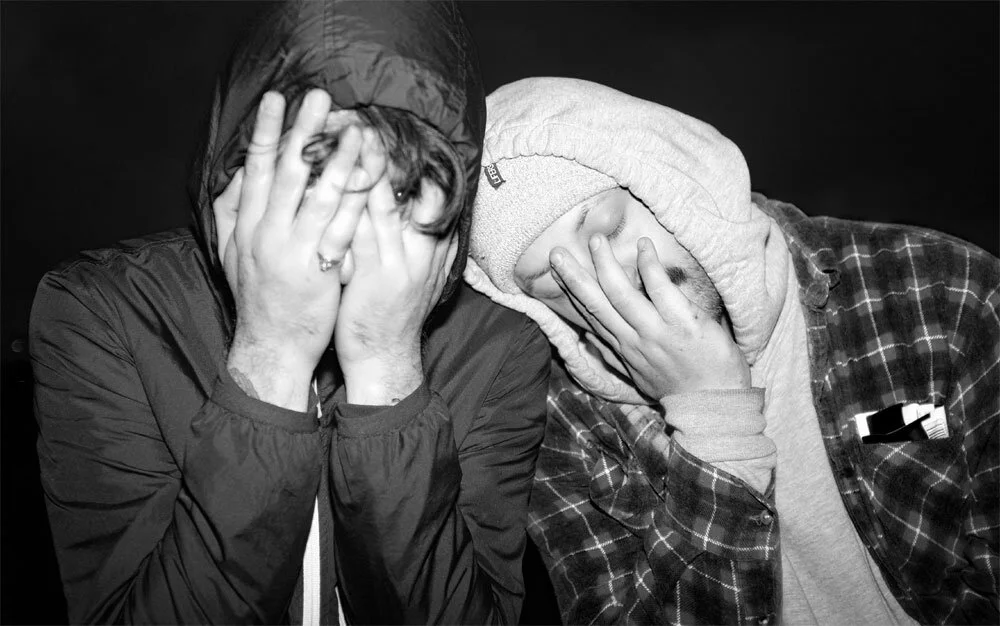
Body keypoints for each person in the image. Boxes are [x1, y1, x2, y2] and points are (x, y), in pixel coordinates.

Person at [29, 2, 550, 623]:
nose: (343, 233)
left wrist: (387, 367)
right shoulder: (107, 310)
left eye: (396, 190)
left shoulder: (500, 348)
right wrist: (271, 353)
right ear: (242, 173)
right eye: (313, 175)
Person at [465, 77, 998, 625]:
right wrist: (711, 420)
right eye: (558, 283)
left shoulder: (939, 294)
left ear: (673, 174)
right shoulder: (561, 426)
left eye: (610, 227)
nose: (612, 285)